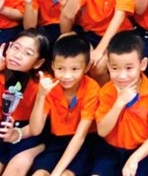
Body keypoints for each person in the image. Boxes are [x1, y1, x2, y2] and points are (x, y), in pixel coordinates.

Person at [0, 29, 50, 176]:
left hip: (31, 133)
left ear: (38, 63)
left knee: (15, 169)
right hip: (3, 129)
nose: (17, 55)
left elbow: (36, 128)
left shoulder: (43, 83)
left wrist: (17, 134)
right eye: (15, 47)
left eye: (27, 53)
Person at [92, 31, 148, 176]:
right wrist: (119, 102)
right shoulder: (106, 91)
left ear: (143, 64)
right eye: (115, 68)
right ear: (108, 65)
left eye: (129, 68)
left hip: (143, 150)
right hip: (111, 149)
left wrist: (134, 158)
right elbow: (102, 131)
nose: (122, 76)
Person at [28, 34, 101, 176]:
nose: (67, 76)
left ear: (86, 68)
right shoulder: (48, 84)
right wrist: (41, 95)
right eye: (60, 69)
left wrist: (56, 172)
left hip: (84, 142)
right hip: (56, 139)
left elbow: (80, 136)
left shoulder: (92, 88)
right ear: (52, 66)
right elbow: (35, 130)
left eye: (74, 69)